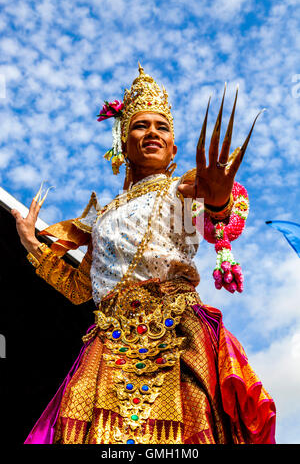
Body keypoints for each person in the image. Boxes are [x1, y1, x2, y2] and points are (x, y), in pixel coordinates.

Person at [12, 65, 276, 444]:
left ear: (174, 147)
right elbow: (81, 288)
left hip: (176, 332)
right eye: (140, 125)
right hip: (110, 341)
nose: (152, 132)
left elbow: (215, 213)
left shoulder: (182, 189)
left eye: (162, 126)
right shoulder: (101, 216)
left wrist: (217, 200)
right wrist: (33, 246)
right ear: (123, 140)